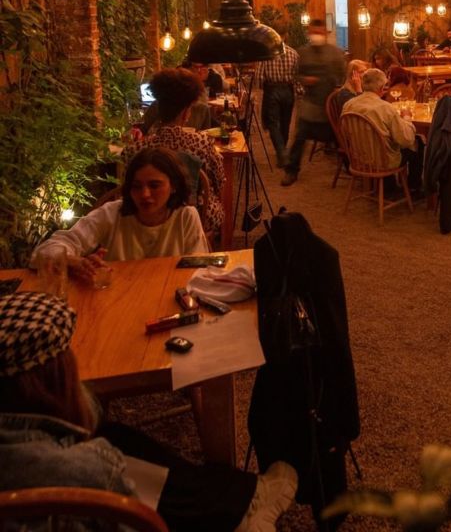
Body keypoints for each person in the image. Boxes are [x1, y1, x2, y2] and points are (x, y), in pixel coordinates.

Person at [0, 291, 297, 532]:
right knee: (115, 453)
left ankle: (237, 498)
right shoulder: (92, 470)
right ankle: (237, 512)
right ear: (52, 379)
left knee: (116, 436)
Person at [30, 148, 208, 278]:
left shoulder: (186, 216)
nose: (145, 194)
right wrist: (72, 261)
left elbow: (199, 270)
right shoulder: (112, 213)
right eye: (136, 186)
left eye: (154, 185)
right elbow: (43, 253)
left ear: (174, 186)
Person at [122, 68, 224, 237]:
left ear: (158, 109)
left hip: (147, 217)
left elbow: (127, 190)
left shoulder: (134, 151)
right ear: (186, 113)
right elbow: (219, 182)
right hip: (196, 218)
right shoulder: (202, 144)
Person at [281, 19, 346, 187]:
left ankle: (351, 166)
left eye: (319, 32)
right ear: (309, 33)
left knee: (341, 137)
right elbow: (295, 75)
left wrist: (337, 88)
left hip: (331, 105)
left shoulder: (335, 53)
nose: (317, 35)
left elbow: (343, 75)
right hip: (310, 105)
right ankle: (291, 170)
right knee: (299, 137)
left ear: (325, 33)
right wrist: (305, 80)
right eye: (314, 32)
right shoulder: (303, 53)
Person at [341, 68, 423, 190]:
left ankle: (388, 184)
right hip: (384, 161)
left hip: (358, 159)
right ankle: (414, 187)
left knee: (387, 140)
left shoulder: (348, 105)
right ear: (382, 87)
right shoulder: (385, 108)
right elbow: (406, 140)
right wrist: (407, 118)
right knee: (418, 142)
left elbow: (345, 133)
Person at [258, 24, 301, 169]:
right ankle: (283, 152)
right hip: (288, 90)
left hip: (272, 90)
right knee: (285, 122)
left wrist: (262, 87)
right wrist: (299, 91)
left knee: (272, 123)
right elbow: (297, 77)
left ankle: (281, 152)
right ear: (286, 35)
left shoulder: (266, 54)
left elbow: (259, 77)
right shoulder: (294, 54)